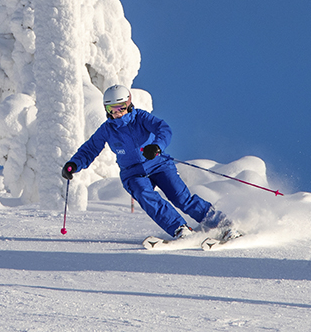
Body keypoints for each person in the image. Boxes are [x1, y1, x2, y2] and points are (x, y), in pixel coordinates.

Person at [61, 84, 238, 241]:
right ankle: (179, 229)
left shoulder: (142, 118)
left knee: (181, 197)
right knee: (146, 196)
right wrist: (74, 164)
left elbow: (164, 128)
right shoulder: (107, 130)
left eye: (120, 108)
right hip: (132, 173)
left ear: (128, 104)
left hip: (158, 164)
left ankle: (223, 224)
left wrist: (156, 146)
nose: (116, 113)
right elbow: (90, 148)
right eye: (111, 109)